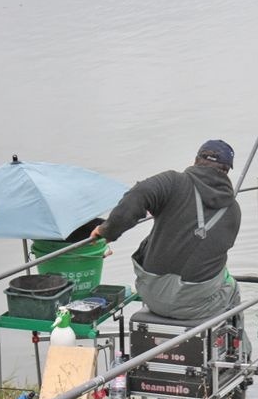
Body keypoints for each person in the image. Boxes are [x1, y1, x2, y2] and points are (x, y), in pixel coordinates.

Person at [91, 139, 243, 327]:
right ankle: (238, 352)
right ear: (227, 170)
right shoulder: (233, 210)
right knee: (232, 286)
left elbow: (136, 197)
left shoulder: (172, 182)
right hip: (196, 306)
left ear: (196, 160)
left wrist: (106, 232)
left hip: (152, 296)